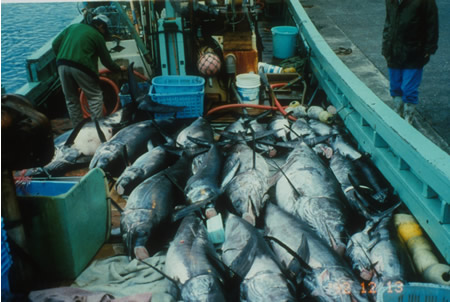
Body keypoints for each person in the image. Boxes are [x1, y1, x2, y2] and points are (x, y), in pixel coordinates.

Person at [52, 14, 126, 127]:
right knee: (95, 97)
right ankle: (98, 128)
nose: (105, 32)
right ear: (101, 25)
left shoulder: (73, 27)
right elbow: (106, 61)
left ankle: (78, 129)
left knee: (71, 100)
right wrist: (118, 69)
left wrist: (62, 58)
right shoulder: (97, 36)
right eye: (105, 29)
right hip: (82, 67)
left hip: (62, 65)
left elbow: (55, 44)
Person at [382, 0, 439, 124]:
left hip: (414, 52)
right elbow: (389, 22)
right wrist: (386, 46)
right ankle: (398, 113)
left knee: (408, 89)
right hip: (393, 50)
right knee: (395, 87)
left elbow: (432, 24)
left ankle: (409, 119)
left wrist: (429, 48)